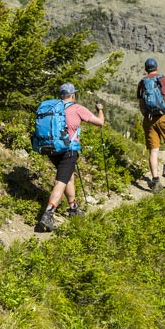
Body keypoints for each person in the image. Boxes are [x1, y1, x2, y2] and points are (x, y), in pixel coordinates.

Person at [39, 82, 104, 232]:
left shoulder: (53, 107)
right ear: (73, 95)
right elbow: (100, 123)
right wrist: (100, 110)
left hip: (51, 148)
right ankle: (48, 213)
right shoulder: (77, 108)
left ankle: (73, 207)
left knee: (68, 176)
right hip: (68, 150)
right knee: (61, 181)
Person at [137, 58, 165, 193]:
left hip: (149, 119)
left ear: (146, 69)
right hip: (163, 116)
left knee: (153, 150)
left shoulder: (142, 83)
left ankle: (155, 182)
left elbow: (141, 104)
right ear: (157, 67)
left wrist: (146, 117)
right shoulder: (164, 80)